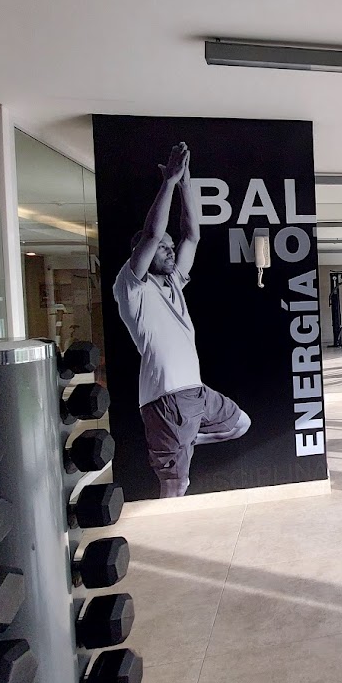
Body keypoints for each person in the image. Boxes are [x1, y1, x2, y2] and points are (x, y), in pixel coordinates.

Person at [112, 141, 250, 498]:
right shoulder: (132, 287)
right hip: (166, 399)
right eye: (162, 248)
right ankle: (177, 451)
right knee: (175, 487)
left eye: (170, 246)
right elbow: (153, 233)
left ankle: (187, 440)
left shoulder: (173, 283)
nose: (169, 249)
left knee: (240, 423)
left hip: (195, 392)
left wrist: (187, 183)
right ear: (140, 254)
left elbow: (192, 235)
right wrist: (169, 182)